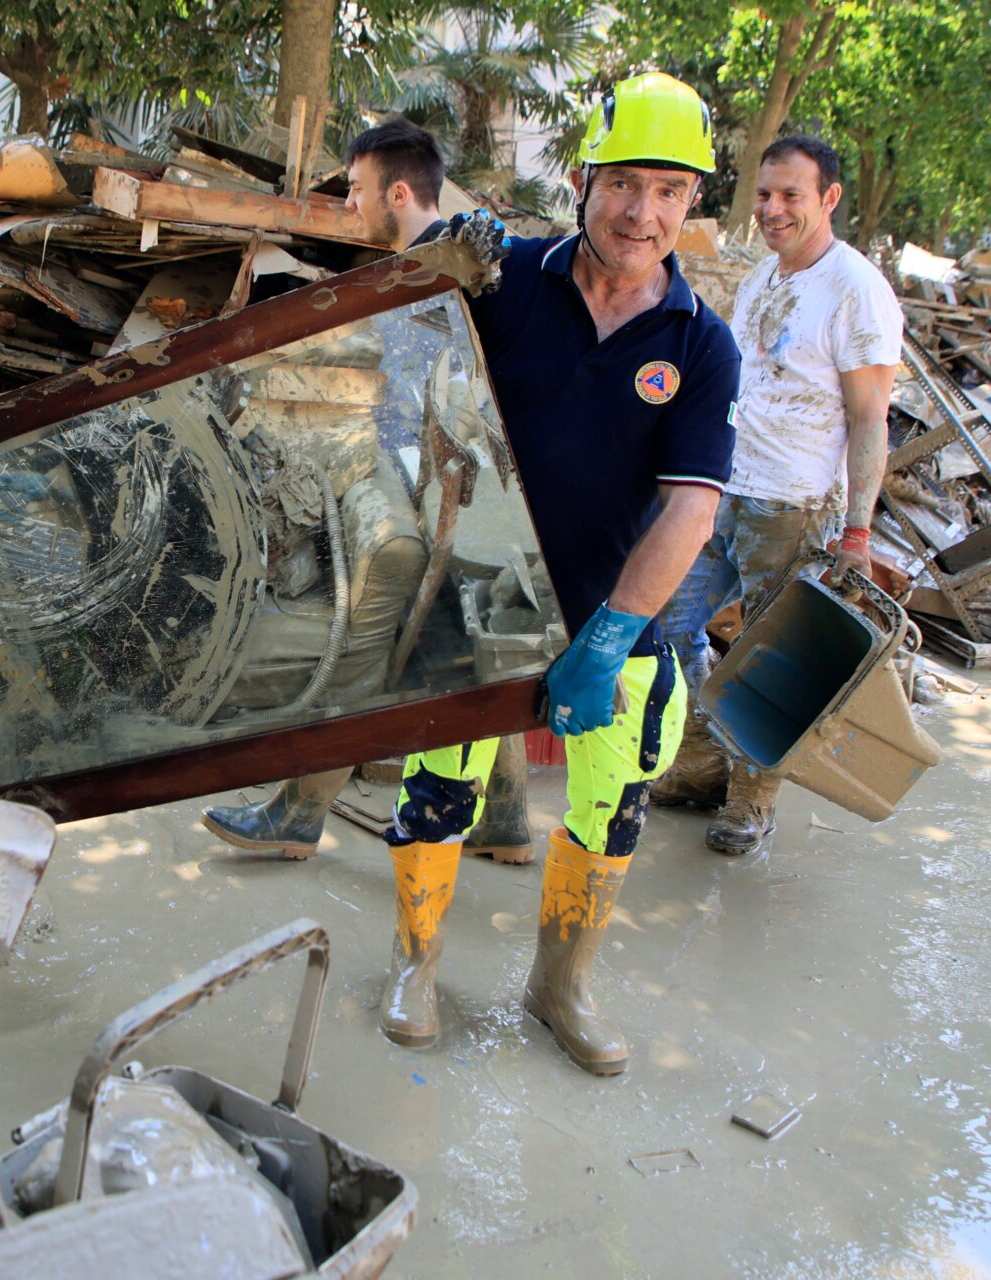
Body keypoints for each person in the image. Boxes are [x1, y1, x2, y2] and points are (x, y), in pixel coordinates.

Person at [368, 74, 738, 1077]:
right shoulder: (509, 280)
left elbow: (692, 507)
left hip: (621, 620)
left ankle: (559, 984)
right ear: (581, 180)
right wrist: (427, 272)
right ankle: (415, 961)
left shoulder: (701, 346)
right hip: (479, 595)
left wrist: (611, 634)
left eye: (669, 190)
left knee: (611, 806)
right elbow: (402, 386)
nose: (643, 212)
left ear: (691, 203)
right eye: (624, 183)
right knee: (436, 789)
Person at [201, 118, 536, 866]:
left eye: (355, 191)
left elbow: (454, 393)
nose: (349, 206)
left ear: (399, 191)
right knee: (471, 655)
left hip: (448, 494)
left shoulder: (453, 266)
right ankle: (508, 816)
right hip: (462, 498)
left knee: (365, 641)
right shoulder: (425, 264)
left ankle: (297, 812)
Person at [650, 135, 902, 857]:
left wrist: (856, 532)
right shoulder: (763, 278)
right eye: (765, 194)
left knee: (768, 661)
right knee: (667, 624)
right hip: (726, 491)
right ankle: (700, 765)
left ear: (828, 199)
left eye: (792, 195)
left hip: (792, 505)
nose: (773, 208)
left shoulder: (855, 289)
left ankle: (749, 801)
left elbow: (868, 418)